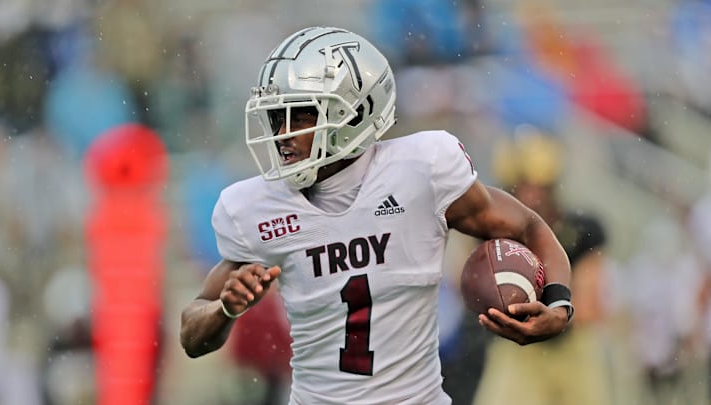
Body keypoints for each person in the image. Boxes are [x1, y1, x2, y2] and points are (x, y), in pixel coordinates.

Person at [180, 27, 573, 405]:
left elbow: (528, 225)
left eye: (299, 116)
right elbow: (191, 334)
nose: (282, 134)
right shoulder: (257, 207)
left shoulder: (422, 170)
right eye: (275, 117)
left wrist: (558, 306)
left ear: (355, 113)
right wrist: (225, 309)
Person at [473, 132, 615, 405]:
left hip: (572, 348)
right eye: (524, 186)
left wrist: (546, 313)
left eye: (540, 187)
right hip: (519, 350)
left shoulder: (581, 230)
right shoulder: (495, 233)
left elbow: (590, 306)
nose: (532, 197)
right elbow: (471, 290)